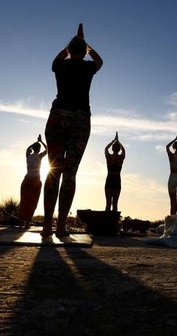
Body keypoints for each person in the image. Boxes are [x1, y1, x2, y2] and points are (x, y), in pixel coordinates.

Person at [42, 23, 103, 237]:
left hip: (57, 117)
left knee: (53, 171)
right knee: (70, 173)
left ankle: (47, 225)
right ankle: (60, 227)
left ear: (70, 50)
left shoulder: (61, 65)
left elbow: (57, 59)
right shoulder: (88, 68)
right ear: (83, 51)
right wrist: (87, 45)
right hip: (80, 119)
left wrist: (72, 45)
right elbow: (99, 61)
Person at [18, 134, 48, 227]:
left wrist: (35, 143)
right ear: (38, 150)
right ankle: (27, 222)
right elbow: (47, 149)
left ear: (33, 149)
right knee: (33, 201)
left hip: (27, 179)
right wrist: (41, 141)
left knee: (24, 200)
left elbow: (27, 148)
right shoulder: (39, 156)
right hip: (35, 181)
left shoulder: (28, 156)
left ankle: (21, 221)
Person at [104, 132, 125, 212]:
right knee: (115, 203)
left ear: (112, 149)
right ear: (119, 149)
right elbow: (124, 151)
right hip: (117, 180)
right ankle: (113, 223)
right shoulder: (121, 158)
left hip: (109, 179)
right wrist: (119, 142)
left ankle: (107, 222)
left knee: (108, 203)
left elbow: (106, 149)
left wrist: (113, 141)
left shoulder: (109, 157)